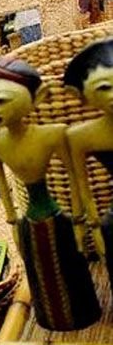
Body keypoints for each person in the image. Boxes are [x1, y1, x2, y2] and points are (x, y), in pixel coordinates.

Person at [0, 57, 100, 331]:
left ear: (38, 96)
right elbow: (2, 185)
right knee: (38, 271)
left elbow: (75, 177)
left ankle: (82, 313)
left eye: (1, 100)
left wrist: (78, 219)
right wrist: (13, 224)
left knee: (71, 266)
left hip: (58, 216)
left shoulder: (53, 134)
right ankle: (52, 317)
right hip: (29, 221)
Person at [64, 38, 113, 295]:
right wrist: (91, 227)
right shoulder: (82, 136)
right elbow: (81, 187)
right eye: (103, 87)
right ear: (81, 96)